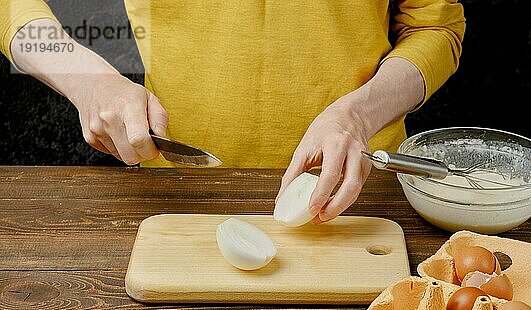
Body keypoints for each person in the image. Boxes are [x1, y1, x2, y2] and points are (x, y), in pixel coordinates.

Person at [1, 1, 465, 222]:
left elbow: (436, 25)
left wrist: (359, 115)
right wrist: (89, 80)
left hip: (360, 196)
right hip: (176, 199)